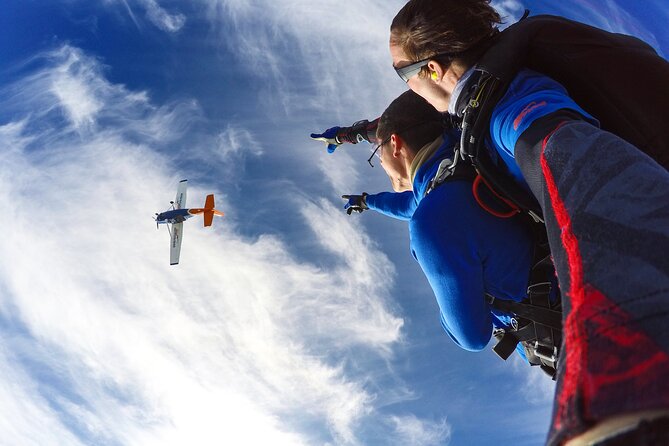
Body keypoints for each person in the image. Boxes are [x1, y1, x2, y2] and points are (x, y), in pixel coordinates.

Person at [388, 1, 669, 444]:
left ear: (433, 70)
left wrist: (619, 404)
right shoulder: (477, 120)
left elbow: (596, 178)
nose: (407, 89)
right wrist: (369, 194)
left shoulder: (509, 108)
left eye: (402, 75)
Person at [312, 90, 563, 374]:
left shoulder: (433, 221)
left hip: (581, 334)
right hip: (591, 275)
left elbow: (471, 336)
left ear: (395, 144)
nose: (379, 162)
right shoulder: (468, 160)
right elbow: (410, 201)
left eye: (376, 154)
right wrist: (367, 198)